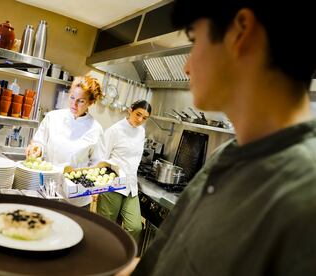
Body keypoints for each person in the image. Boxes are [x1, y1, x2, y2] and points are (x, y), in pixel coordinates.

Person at [123, 0, 316, 275]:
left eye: (194, 40)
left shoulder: (306, 195)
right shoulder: (223, 157)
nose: (186, 67)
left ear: (241, 32)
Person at [26, 75, 104, 208]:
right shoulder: (53, 117)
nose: (74, 104)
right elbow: (38, 142)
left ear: (90, 103)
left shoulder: (95, 129)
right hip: (48, 191)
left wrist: (95, 188)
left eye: (80, 101)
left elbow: (97, 164)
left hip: (77, 198)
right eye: (72, 97)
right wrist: (36, 148)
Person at [96, 100, 151, 243]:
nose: (140, 120)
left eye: (144, 118)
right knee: (106, 227)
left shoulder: (142, 132)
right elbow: (101, 158)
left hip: (131, 185)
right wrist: (97, 187)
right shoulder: (115, 130)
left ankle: (122, 254)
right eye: (138, 114)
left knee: (135, 227)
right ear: (130, 110)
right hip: (113, 183)